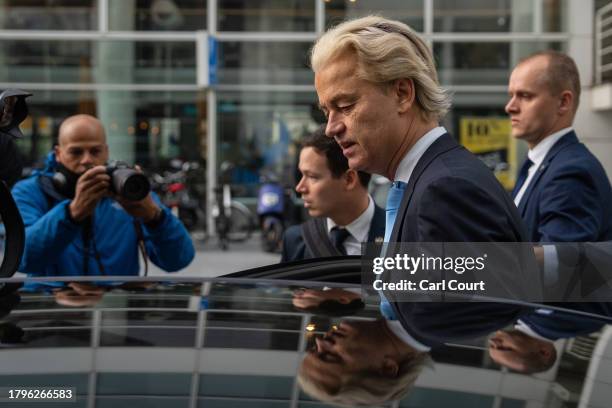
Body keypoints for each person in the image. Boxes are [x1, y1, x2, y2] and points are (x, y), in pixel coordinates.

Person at [303, 15, 531, 404]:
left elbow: (471, 322)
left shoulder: (445, 190)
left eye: (344, 105)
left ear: (403, 94)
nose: (331, 127)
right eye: (328, 110)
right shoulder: (430, 181)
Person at [11, 114, 194, 282]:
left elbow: (178, 260)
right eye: (76, 152)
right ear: (58, 153)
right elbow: (21, 259)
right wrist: (71, 213)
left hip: (114, 309)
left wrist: (154, 217)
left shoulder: (129, 192)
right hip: (49, 311)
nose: (86, 160)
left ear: (106, 152)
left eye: (95, 151)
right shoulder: (29, 192)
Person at [507, 51, 612, 243]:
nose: (510, 107)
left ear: (564, 102)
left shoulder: (571, 172)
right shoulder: (538, 164)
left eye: (525, 96)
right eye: (511, 95)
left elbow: (558, 266)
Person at [280, 127, 384, 262]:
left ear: (349, 179)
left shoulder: (402, 235)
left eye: (312, 177)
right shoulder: (295, 241)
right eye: (301, 175)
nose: (300, 188)